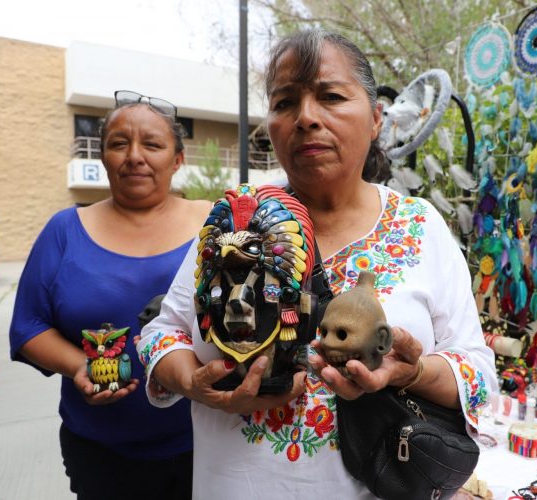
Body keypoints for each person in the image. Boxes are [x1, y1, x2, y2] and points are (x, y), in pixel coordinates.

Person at [137, 30, 497, 499]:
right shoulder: (234, 221)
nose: (306, 117)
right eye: (285, 102)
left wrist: (411, 373)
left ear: (375, 118)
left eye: (330, 96)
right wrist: (191, 381)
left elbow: (478, 374)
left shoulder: (420, 225)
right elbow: (160, 334)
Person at [9, 91, 211, 500]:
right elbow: (28, 326)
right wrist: (80, 366)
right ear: (103, 156)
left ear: (177, 159)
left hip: (208, 443)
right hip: (101, 452)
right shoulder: (64, 230)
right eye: (119, 143)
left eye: (152, 144)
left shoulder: (214, 223)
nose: (134, 156)